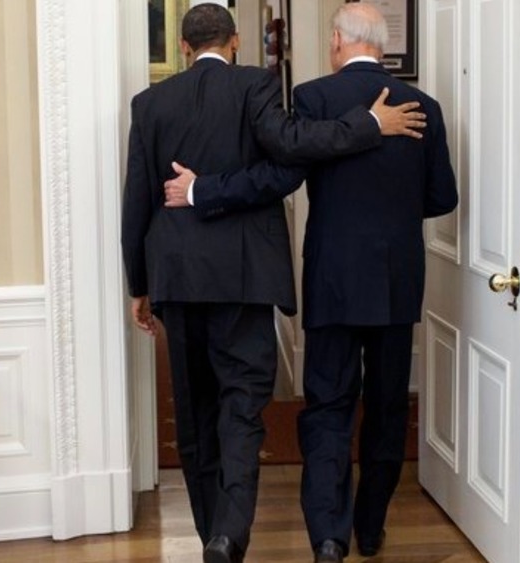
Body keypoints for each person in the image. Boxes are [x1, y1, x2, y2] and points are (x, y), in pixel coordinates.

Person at [120, 4, 427, 563]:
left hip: (177, 278)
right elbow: (289, 157)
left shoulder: (149, 103)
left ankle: (214, 528)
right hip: (245, 279)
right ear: (235, 42)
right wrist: (368, 124)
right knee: (241, 408)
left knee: (194, 414)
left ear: (184, 47)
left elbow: (136, 200)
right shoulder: (258, 86)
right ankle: (229, 535)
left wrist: (139, 284)